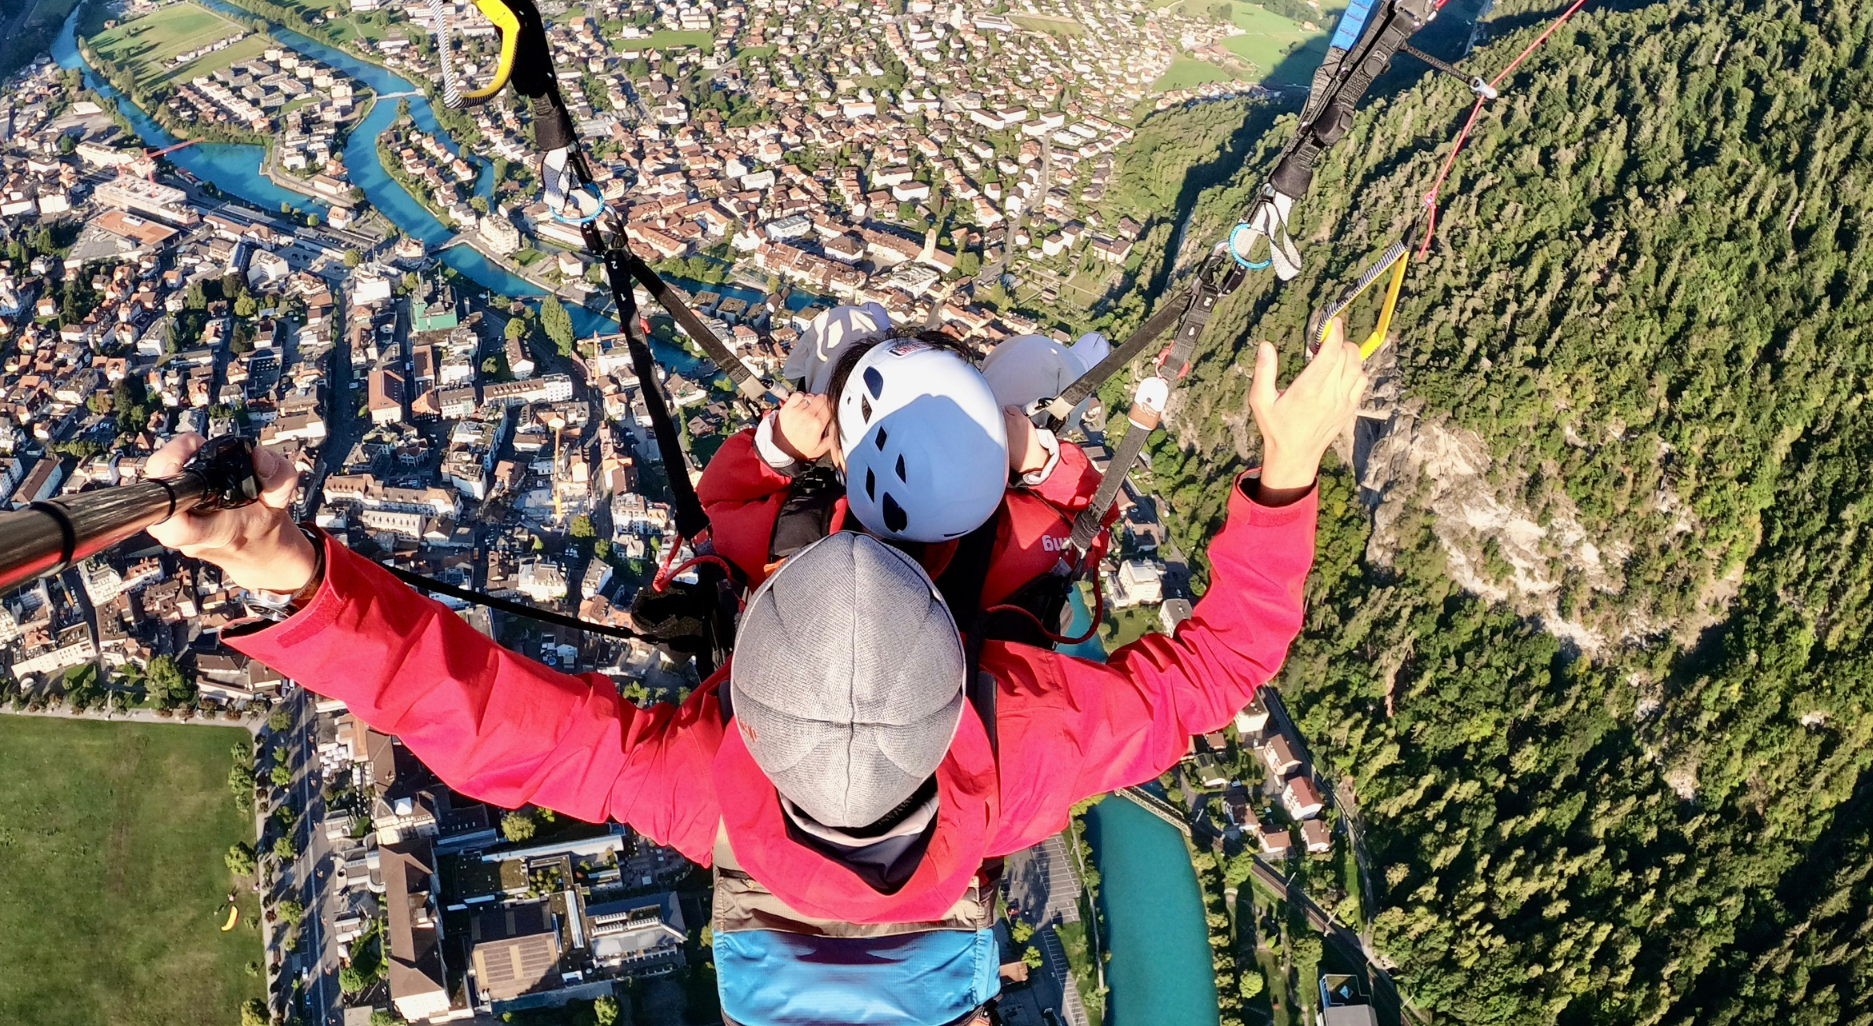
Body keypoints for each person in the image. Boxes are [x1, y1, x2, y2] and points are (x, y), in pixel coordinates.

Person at [146, 324, 1365, 1026]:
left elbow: (472, 712)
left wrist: (295, 579)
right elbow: (1220, 664)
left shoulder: (727, 774)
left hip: (915, 968)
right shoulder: (1020, 738)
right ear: (955, 657)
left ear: (747, 681)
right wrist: (1286, 467)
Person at [702, 323, 1112, 644]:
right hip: (981, 525)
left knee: (849, 325)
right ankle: (1067, 364)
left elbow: (709, 514)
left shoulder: (787, 540)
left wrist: (779, 444)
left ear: (839, 455)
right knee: (1038, 360)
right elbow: (1091, 524)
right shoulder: (1025, 542)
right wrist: (1039, 460)